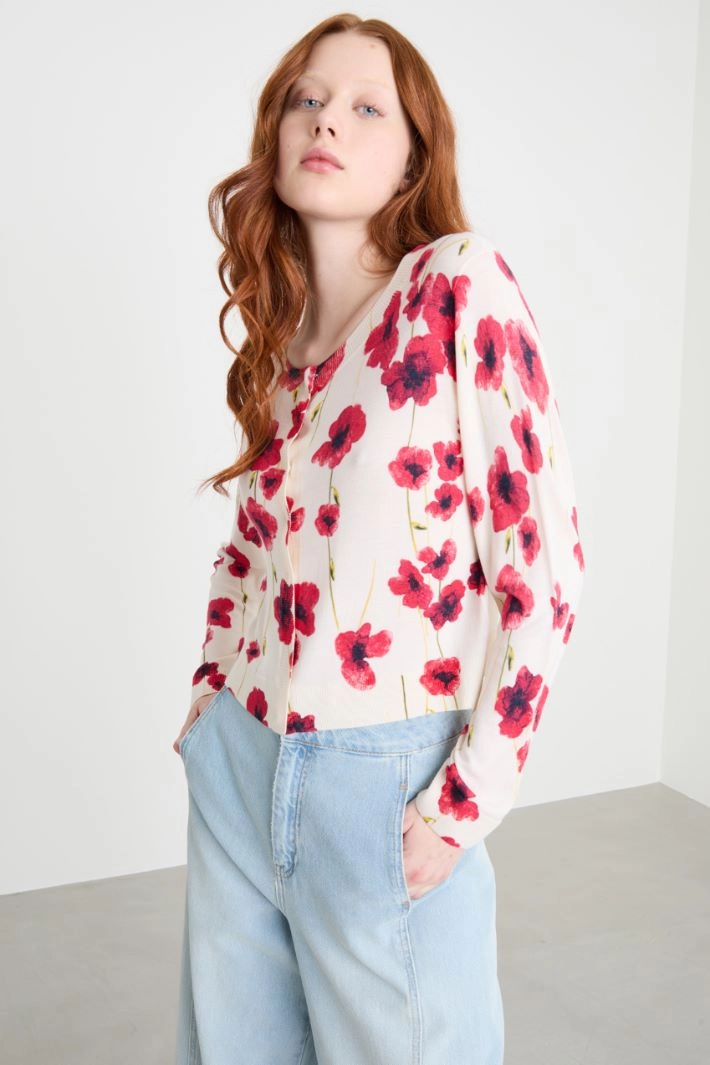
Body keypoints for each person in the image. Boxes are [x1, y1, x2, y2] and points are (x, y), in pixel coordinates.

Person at [172, 12, 585, 1065]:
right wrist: (211, 696)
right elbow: (250, 546)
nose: (327, 122)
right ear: (275, 134)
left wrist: (465, 801)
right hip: (243, 762)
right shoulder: (283, 345)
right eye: (307, 99)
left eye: (366, 107)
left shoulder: (457, 284)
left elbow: (543, 561)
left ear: (412, 156)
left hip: (386, 777)